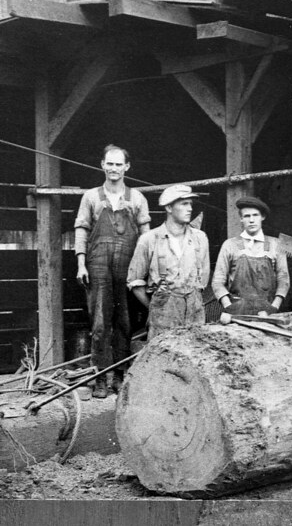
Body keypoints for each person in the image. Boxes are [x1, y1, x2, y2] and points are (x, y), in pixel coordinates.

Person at [74, 144, 151, 398]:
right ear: (102, 165)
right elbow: (82, 230)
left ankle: (119, 376)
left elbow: (146, 237)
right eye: (110, 163)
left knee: (125, 322)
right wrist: (81, 263)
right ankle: (99, 379)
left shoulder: (137, 198)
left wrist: (147, 269)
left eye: (119, 164)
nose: (114, 168)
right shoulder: (91, 197)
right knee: (99, 324)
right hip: (98, 266)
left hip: (127, 267)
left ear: (127, 167)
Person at [127, 184, 210, 340]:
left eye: (191, 204)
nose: (190, 208)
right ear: (169, 207)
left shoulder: (200, 238)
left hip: (194, 313)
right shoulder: (149, 239)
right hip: (163, 318)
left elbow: (203, 281)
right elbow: (134, 282)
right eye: (184, 203)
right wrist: (158, 306)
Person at [212, 196, 290, 315]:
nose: (251, 220)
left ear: (262, 217)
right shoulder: (229, 245)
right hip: (237, 310)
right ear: (241, 219)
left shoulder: (276, 244)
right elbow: (217, 281)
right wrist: (229, 306)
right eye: (247, 216)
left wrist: (274, 306)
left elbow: (283, 279)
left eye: (255, 215)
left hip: (268, 311)